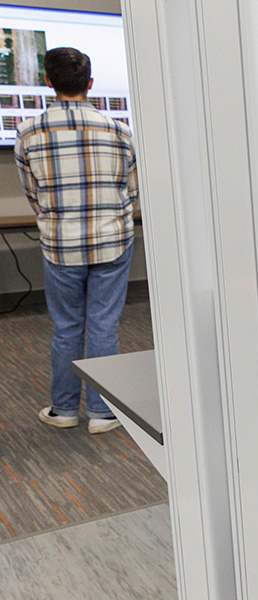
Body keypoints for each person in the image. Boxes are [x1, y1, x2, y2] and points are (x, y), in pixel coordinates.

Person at [14, 47, 137, 434]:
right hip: (112, 239)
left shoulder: (28, 132)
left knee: (67, 327)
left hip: (60, 242)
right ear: (91, 84)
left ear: (48, 82)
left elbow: (32, 193)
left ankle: (64, 410)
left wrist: (55, 217)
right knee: (104, 324)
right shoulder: (119, 130)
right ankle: (103, 413)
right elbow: (131, 191)